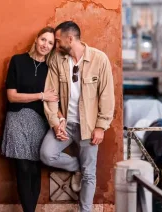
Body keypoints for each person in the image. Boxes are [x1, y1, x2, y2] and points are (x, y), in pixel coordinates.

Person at [40, 21, 115, 212]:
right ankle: (76, 166)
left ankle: (85, 210)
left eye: (57, 41)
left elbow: (107, 95)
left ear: (70, 39)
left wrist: (101, 126)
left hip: (89, 127)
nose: (55, 46)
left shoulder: (99, 59)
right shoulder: (57, 59)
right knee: (46, 154)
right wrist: (56, 123)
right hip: (66, 123)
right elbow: (51, 94)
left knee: (90, 174)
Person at [1, 27, 59, 212]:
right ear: (36, 39)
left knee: (35, 169)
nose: (45, 45)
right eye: (43, 40)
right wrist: (41, 95)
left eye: (50, 43)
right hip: (17, 118)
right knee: (23, 167)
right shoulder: (18, 61)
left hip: (40, 121)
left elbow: (55, 99)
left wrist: (60, 119)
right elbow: (12, 96)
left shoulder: (51, 69)